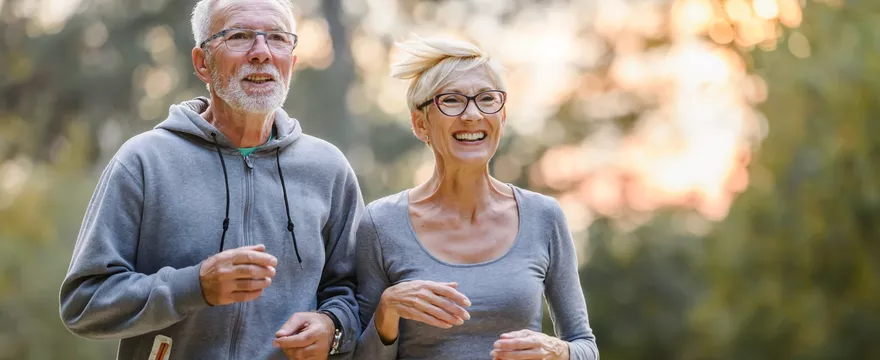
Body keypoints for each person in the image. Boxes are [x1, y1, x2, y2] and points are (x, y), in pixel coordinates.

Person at [59, 0, 362, 358]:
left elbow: (355, 292)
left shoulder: (328, 169)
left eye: (278, 39)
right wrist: (194, 286)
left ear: (292, 62)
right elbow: (84, 303)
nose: (261, 52)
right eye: (240, 36)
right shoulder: (143, 162)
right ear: (203, 63)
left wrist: (333, 326)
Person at [352, 36, 600, 360]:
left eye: (486, 99)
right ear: (420, 123)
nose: (472, 115)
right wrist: (387, 312)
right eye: (452, 100)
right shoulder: (381, 224)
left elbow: (585, 345)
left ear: (503, 116)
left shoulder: (544, 217)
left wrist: (559, 351)